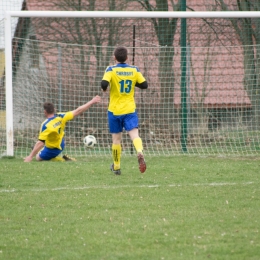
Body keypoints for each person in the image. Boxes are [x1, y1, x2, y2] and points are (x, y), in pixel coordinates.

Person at [101, 46, 148, 175]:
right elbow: (144, 85)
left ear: (114, 57)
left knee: (116, 140)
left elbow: (104, 84)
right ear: (127, 58)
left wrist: (105, 89)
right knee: (134, 135)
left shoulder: (111, 69)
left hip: (114, 110)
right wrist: (133, 83)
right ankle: (139, 151)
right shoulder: (134, 69)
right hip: (130, 109)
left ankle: (116, 167)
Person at [24, 95, 101, 162]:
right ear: (54, 110)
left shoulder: (45, 125)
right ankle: (41, 151)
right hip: (62, 144)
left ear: (45, 112)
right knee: (41, 146)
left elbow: (40, 142)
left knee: (38, 158)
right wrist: (92, 102)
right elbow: (78, 110)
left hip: (52, 150)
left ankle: (62, 159)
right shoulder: (61, 116)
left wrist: (30, 157)